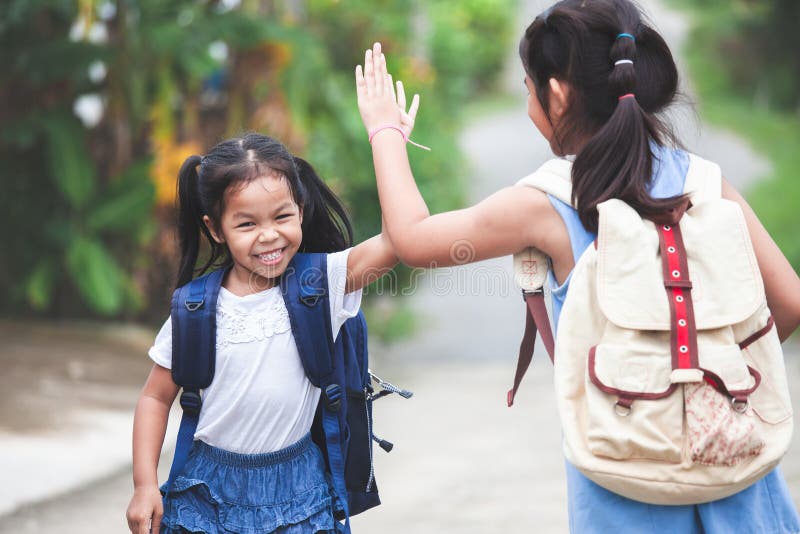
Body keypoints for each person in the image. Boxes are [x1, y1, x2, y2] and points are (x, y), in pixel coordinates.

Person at [353, 0, 800, 530]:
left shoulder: (551, 200)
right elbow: (788, 303)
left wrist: (385, 131)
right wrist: (702, 385)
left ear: (558, 95)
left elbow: (412, 240)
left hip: (626, 483)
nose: (527, 103)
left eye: (527, 88)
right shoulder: (705, 181)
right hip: (735, 478)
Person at [125, 133, 399, 533]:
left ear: (301, 211)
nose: (268, 235)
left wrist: (385, 138)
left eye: (281, 217)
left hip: (299, 494)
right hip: (207, 497)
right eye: (247, 223)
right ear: (216, 229)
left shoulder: (323, 286)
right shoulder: (195, 310)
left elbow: (398, 243)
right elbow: (154, 397)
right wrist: (144, 484)